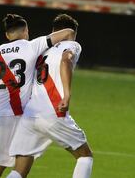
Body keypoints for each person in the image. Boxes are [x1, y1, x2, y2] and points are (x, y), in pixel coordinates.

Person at [0, 14, 76, 178]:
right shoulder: (32, 46)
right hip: (10, 112)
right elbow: (67, 32)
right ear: (26, 30)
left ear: (7, 35)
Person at [6, 14, 93, 178]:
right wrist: (67, 95)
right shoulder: (72, 44)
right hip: (53, 110)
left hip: (30, 114)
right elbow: (66, 61)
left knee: (19, 170)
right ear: (72, 32)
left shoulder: (42, 49)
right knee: (84, 156)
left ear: (53, 31)